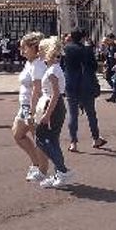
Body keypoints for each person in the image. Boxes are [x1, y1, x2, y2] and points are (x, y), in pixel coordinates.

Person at [34, 35, 74, 188]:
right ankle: (59, 173)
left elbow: (55, 93)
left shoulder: (52, 71)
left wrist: (47, 114)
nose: (39, 53)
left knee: (41, 138)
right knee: (52, 140)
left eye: (41, 50)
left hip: (52, 106)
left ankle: (63, 171)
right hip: (53, 105)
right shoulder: (53, 68)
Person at [13, 31, 51, 184]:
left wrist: (32, 110)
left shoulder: (38, 64)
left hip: (33, 106)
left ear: (34, 48)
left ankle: (43, 170)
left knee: (39, 139)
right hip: (25, 105)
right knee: (17, 134)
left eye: (24, 48)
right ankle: (37, 164)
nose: (21, 51)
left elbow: (37, 89)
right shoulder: (30, 62)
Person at [62, 30, 106, 152]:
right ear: (82, 38)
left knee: (73, 115)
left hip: (71, 85)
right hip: (86, 85)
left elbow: (63, 66)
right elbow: (94, 67)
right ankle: (96, 138)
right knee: (91, 114)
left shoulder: (67, 49)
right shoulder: (87, 50)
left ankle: (73, 142)